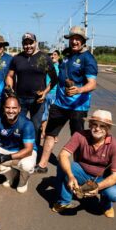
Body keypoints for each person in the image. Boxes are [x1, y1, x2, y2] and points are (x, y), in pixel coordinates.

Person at [36, 26, 98, 173]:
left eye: (78, 39)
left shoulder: (88, 58)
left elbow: (92, 83)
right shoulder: (67, 56)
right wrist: (46, 92)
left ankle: (78, 170)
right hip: (59, 104)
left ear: (83, 41)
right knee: (50, 133)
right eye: (72, 39)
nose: (75, 41)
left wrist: (79, 89)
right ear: (69, 40)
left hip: (78, 107)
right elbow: (58, 79)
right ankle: (42, 164)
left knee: (78, 138)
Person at [51, 110, 116, 218]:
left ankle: (106, 205)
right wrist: (70, 176)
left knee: (115, 194)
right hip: (81, 171)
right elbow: (63, 155)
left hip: (102, 177)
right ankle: (64, 201)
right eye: (94, 124)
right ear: (89, 124)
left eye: (102, 126)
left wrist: (98, 187)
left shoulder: (115, 146)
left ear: (108, 128)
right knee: (63, 166)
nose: (97, 128)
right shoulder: (80, 135)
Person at [6, 32, 58, 146]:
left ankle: (34, 151)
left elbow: (54, 79)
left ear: (36, 43)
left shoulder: (44, 58)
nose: (28, 46)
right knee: (19, 124)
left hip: (37, 99)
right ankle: (19, 148)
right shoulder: (17, 58)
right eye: (25, 43)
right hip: (20, 99)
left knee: (35, 126)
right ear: (22, 44)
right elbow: (10, 76)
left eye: (31, 43)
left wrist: (45, 93)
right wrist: (11, 91)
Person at [0, 96, 37, 193]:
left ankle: (23, 181)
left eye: (14, 108)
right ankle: (11, 174)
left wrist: (6, 158)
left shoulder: (27, 124)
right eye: (8, 107)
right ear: (4, 108)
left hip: (23, 152)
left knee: (27, 165)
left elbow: (28, 150)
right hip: (5, 149)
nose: (10, 111)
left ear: (19, 109)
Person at [40, 50, 60, 140]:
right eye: (51, 55)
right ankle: (43, 132)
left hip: (56, 94)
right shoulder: (46, 66)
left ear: (58, 56)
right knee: (44, 114)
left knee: (54, 115)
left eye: (55, 55)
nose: (52, 56)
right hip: (46, 93)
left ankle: (54, 135)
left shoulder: (61, 67)